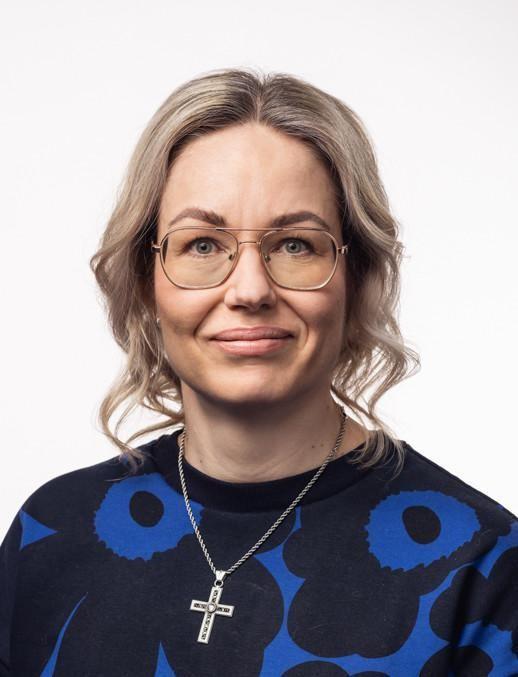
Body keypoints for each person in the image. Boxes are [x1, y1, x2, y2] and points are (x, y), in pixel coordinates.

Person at [1, 67, 516, 677]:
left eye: (295, 244)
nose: (249, 290)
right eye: (202, 244)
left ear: (357, 278)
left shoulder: (483, 568)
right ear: (145, 281)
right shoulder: (51, 531)